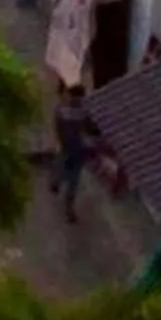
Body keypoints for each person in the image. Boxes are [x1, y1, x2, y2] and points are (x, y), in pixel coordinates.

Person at [51, 81, 93, 222]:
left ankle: (69, 207)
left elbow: (88, 126)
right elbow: (58, 127)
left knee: (73, 180)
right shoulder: (63, 109)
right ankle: (56, 182)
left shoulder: (82, 110)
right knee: (64, 171)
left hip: (77, 149)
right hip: (68, 147)